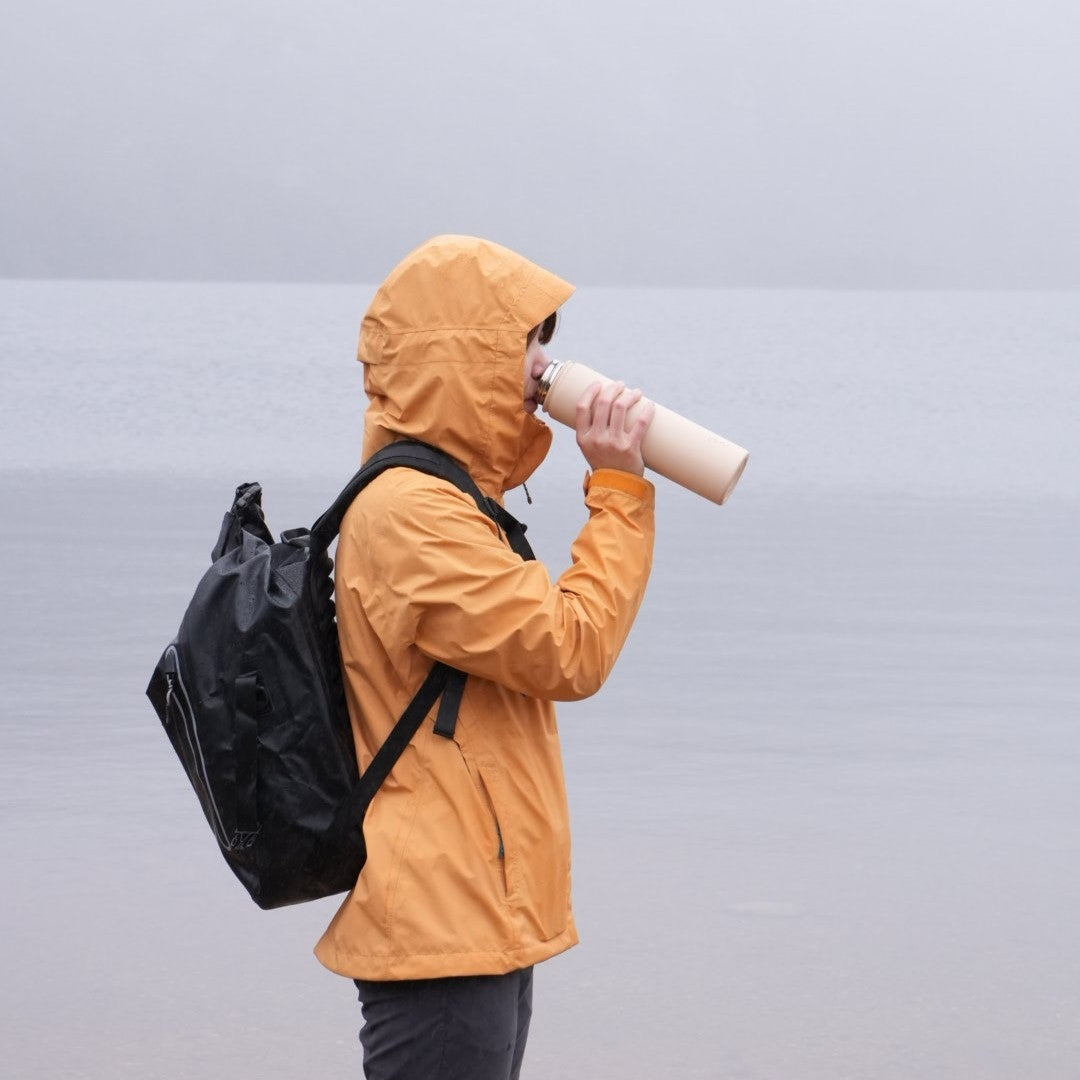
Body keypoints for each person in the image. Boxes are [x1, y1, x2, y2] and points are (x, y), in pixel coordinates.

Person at [315, 235, 656, 1080]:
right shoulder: (413, 514)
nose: (546, 368)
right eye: (528, 343)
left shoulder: (456, 500)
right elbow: (569, 651)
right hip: (441, 925)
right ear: (463, 358)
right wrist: (616, 491)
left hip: (474, 912)